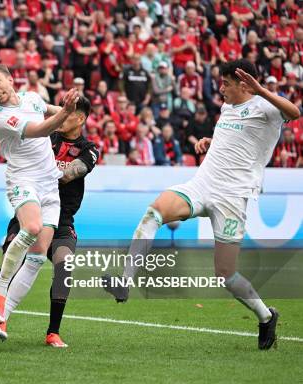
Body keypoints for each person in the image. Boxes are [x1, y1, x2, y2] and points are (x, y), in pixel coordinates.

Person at [104, 59, 300, 350]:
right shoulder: (226, 109)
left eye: (226, 83)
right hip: (202, 184)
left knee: (225, 275)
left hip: (232, 197)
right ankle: (125, 282)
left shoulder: (267, 107)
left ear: (245, 84)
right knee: (154, 212)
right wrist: (211, 141)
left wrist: (261, 90)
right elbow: (235, 138)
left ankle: (265, 316)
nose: (220, 89)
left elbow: (294, 112)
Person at [0, 97, 98, 347]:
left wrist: (45, 168)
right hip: (31, 207)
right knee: (10, 262)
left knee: (65, 269)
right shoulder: (47, 137)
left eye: (70, 113)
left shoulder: (90, 149)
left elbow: (68, 175)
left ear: (81, 118)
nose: (63, 117)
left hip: (62, 219)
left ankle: (53, 332)